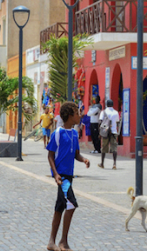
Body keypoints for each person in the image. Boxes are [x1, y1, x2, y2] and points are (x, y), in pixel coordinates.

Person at [46, 101, 90, 251]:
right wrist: (56, 174)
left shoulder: (74, 134)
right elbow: (50, 156)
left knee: (60, 207)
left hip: (69, 176)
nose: (80, 115)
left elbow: (76, 154)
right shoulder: (57, 133)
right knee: (72, 204)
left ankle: (51, 242)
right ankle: (63, 242)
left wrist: (83, 159)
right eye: (78, 113)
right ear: (70, 115)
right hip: (61, 177)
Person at [98, 100, 120, 170]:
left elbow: (100, 122)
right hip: (113, 132)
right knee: (114, 148)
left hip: (105, 132)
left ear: (106, 104)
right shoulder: (116, 112)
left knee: (104, 148)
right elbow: (117, 121)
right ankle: (114, 163)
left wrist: (100, 132)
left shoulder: (103, 112)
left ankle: (102, 163)